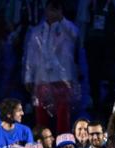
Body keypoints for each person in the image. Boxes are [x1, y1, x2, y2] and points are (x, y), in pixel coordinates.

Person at [23, 2, 78, 135]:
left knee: (63, 117)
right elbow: (30, 55)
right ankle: (42, 144)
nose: (52, 12)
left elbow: (76, 36)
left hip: (62, 80)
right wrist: (28, 77)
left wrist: (61, 18)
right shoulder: (37, 31)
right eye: (50, 9)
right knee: (41, 116)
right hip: (41, 79)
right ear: (45, 10)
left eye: (56, 9)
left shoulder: (67, 28)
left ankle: (63, 144)